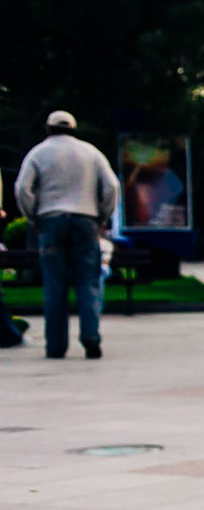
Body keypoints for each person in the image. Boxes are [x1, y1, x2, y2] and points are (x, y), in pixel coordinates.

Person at [14, 110, 120, 360]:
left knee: (54, 285)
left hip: (51, 221)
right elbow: (111, 186)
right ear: (74, 129)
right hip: (86, 221)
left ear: (48, 129)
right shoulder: (91, 152)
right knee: (88, 283)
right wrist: (101, 218)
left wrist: (33, 217)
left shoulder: (38, 152)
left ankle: (56, 346)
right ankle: (91, 338)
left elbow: (22, 188)